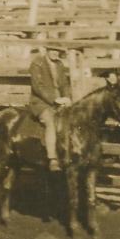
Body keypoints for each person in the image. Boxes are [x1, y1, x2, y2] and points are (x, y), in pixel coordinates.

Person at [28, 43, 72, 171]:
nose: (55, 53)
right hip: (41, 102)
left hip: (59, 101)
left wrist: (67, 98)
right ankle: (52, 158)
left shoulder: (59, 65)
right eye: (53, 50)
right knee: (50, 121)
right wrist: (54, 100)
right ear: (47, 50)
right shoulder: (37, 63)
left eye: (57, 50)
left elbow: (64, 84)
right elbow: (38, 87)